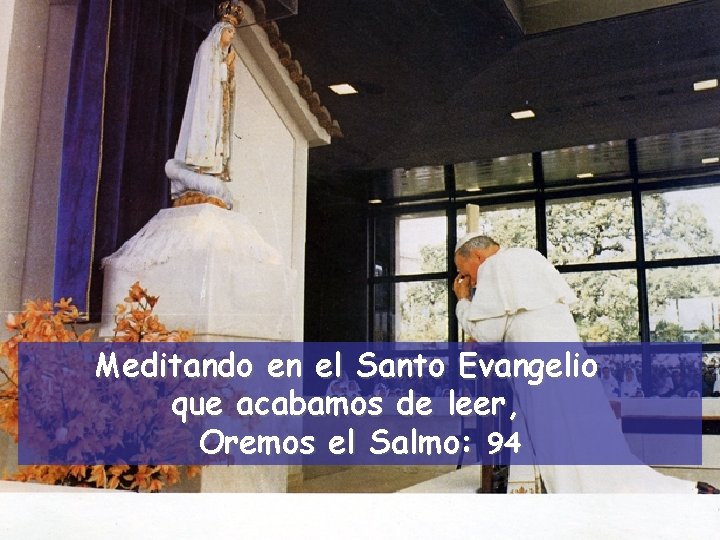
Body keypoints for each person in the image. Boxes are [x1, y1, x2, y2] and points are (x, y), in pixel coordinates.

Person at [452, 233, 712, 493]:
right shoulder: (531, 257)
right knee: (588, 436)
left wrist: (463, 301)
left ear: (477, 256)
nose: (469, 281)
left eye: (465, 273)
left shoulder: (492, 267)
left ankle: (578, 496)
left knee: (558, 440)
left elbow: (487, 334)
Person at [165, 3, 244, 209]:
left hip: (217, 107)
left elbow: (226, 85)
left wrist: (229, 69)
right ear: (220, 31)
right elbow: (209, 79)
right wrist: (225, 66)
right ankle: (198, 168)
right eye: (229, 32)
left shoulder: (221, 54)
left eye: (233, 33)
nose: (231, 37)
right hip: (206, 105)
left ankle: (209, 171)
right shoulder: (207, 48)